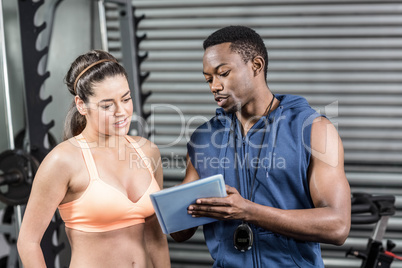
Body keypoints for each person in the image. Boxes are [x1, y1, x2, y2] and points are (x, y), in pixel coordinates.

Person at [170, 26, 351, 267]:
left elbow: (338, 226)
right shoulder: (203, 137)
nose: (214, 86)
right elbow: (179, 233)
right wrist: (174, 209)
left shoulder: (313, 129)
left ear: (256, 65)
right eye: (208, 79)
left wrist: (247, 211)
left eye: (223, 73)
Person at [17, 50, 170, 268]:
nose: (121, 112)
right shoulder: (63, 160)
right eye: (107, 105)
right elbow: (28, 241)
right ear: (81, 105)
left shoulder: (147, 151)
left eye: (126, 99)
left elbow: (156, 235)